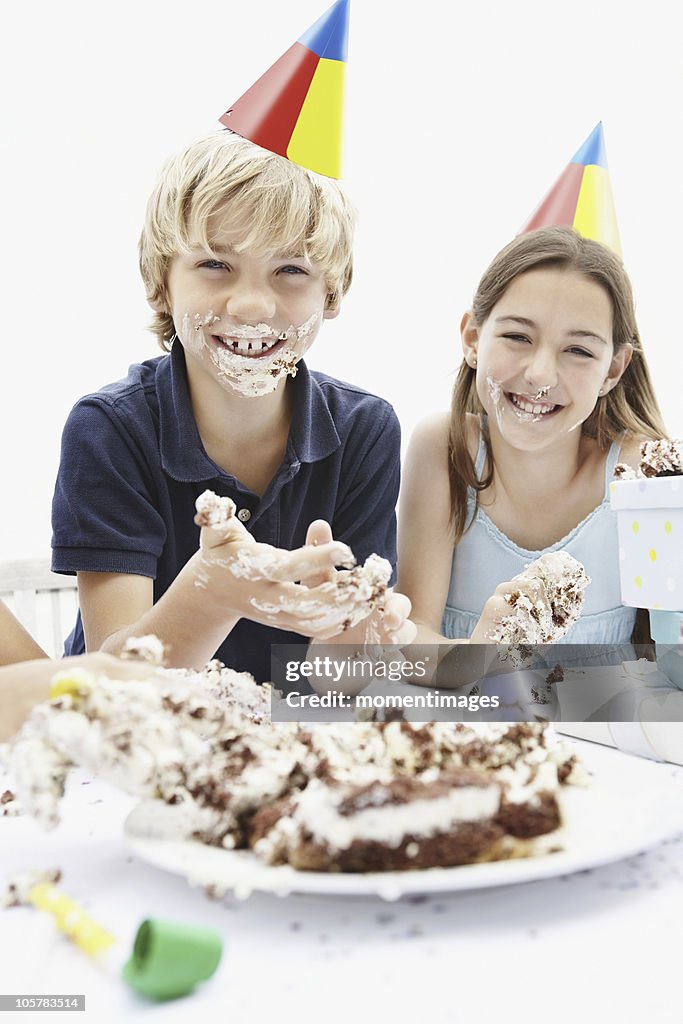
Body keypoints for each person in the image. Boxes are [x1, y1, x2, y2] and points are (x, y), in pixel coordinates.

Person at [52, 131, 412, 680]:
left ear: (331, 293)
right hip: (132, 743)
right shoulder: (110, 429)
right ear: (161, 285)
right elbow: (114, 680)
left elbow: (332, 684)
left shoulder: (365, 428)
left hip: (278, 745)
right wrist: (214, 591)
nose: (251, 304)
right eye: (216, 264)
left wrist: (357, 635)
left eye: (291, 269)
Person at [398, 226, 666, 661]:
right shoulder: (445, 450)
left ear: (613, 371)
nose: (540, 374)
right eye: (517, 337)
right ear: (472, 339)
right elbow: (411, 635)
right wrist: (480, 655)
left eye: (578, 350)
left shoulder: (640, 472)